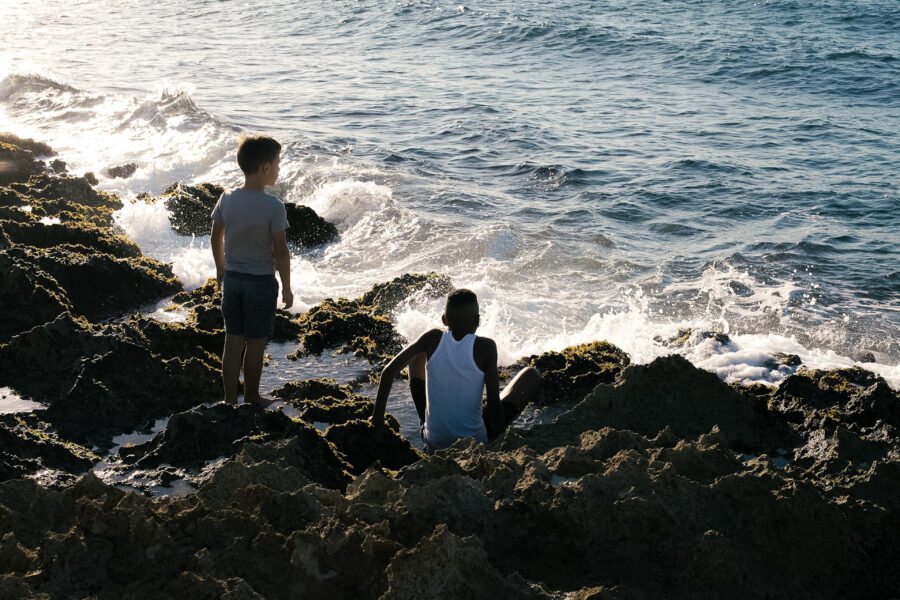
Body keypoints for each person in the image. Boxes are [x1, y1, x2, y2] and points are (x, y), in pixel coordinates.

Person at [370, 288, 541, 451]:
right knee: (531, 374)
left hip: (434, 442)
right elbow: (494, 403)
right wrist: (499, 441)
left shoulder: (431, 337)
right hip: (474, 442)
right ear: (478, 321)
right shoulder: (486, 347)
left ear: (444, 320)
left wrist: (377, 420)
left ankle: (428, 420)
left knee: (417, 354)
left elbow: (388, 372)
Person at [210, 134, 293, 407]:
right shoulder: (274, 207)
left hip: (233, 280)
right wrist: (287, 287)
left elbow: (215, 236)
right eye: (277, 164)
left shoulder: (227, 198)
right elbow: (281, 252)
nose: (279, 169)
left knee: (232, 341)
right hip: (260, 284)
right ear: (265, 167)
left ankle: (229, 400)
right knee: (256, 343)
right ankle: (252, 397)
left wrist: (221, 268)